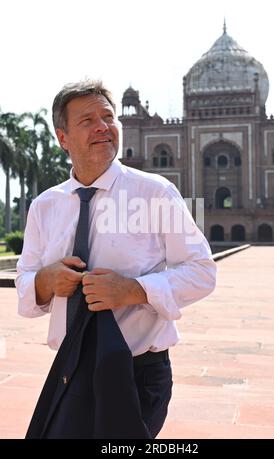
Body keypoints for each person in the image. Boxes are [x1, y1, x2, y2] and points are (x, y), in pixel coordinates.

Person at [16, 80, 217, 438]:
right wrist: (46, 281)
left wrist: (134, 290)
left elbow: (202, 272)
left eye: (108, 117)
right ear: (63, 138)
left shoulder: (155, 192)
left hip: (137, 373)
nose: (103, 127)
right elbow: (26, 281)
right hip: (70, 369)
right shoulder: (45, 206)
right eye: (87, 120)